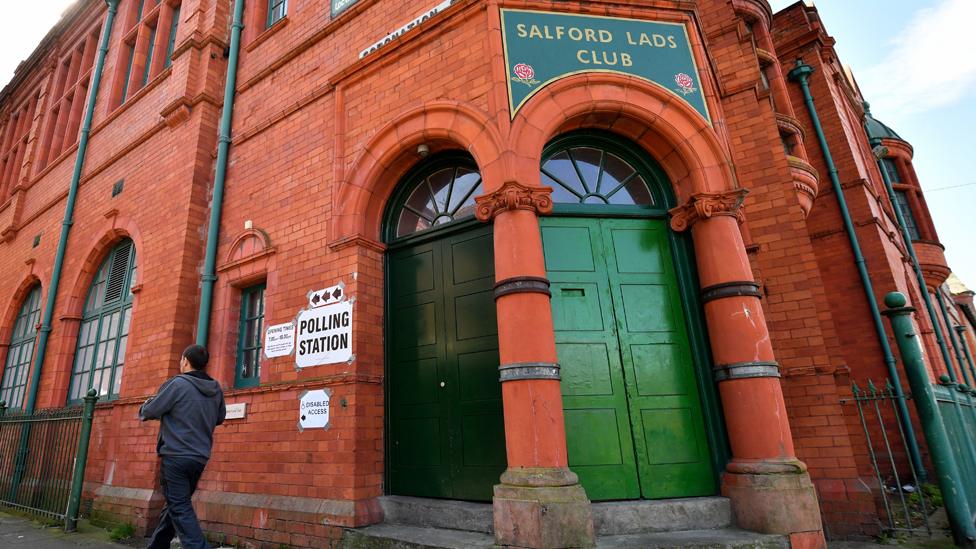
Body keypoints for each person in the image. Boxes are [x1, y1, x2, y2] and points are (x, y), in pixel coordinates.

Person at [140, 344, 226, 549]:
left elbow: (152, 410)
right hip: (199, 458)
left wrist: (145, 406)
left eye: (181, 359)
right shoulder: (216, 389)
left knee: (179, 507)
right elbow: (220, 418)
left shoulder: (177, 384)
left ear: (186, 361)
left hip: (176, 456)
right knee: (175, 506)